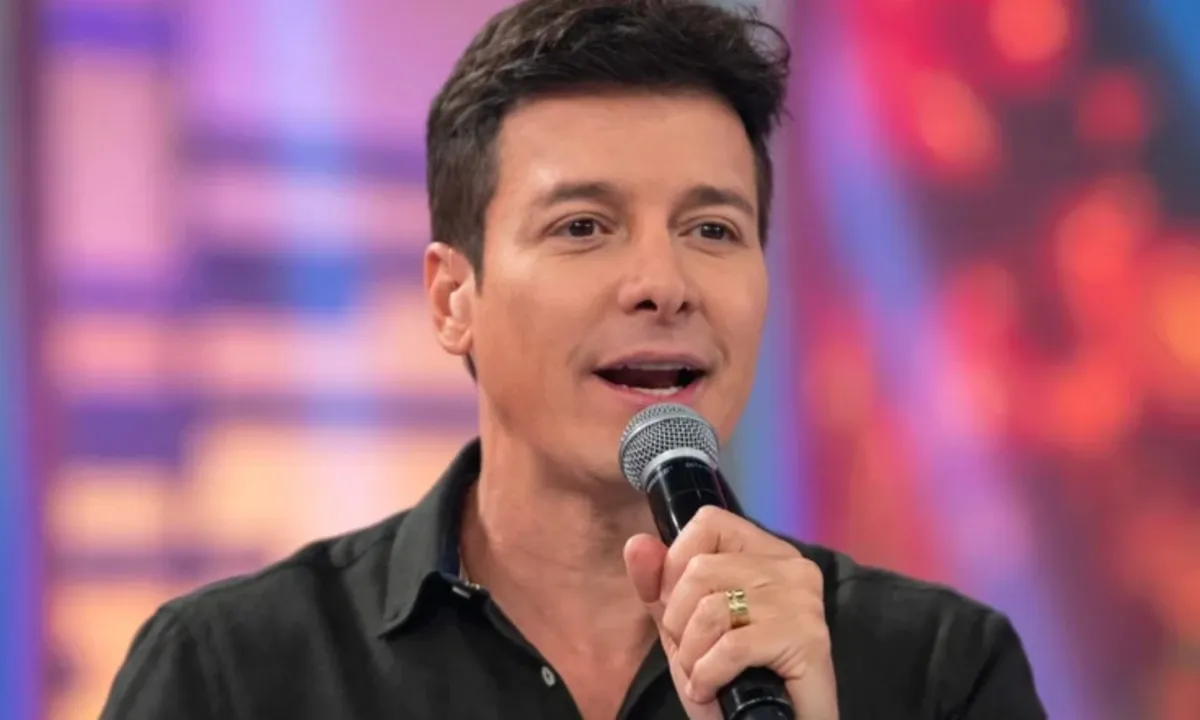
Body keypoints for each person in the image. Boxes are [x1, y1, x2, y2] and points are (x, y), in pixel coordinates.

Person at [101, 1, 1047, 718]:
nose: (663, 284)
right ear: (452, 298)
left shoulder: (939, 671)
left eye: (712, 229)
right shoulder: (231, 673)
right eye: (584, 226)